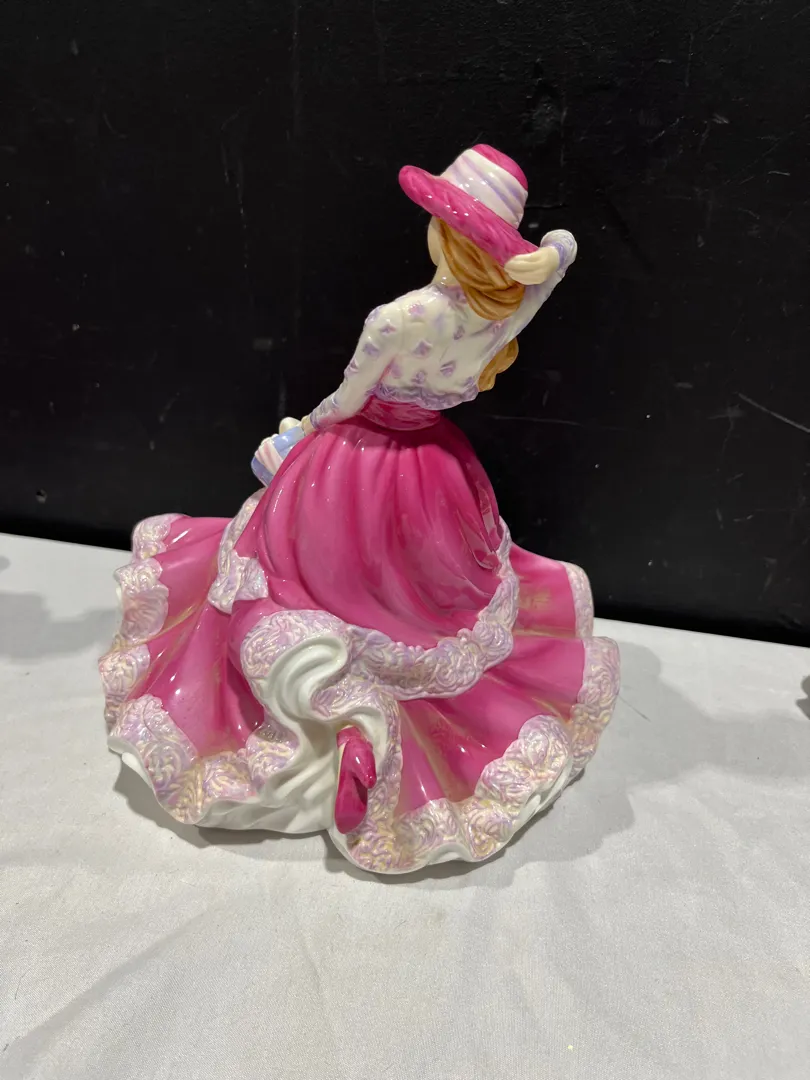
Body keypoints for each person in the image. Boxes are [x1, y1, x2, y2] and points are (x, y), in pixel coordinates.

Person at [100, 145, 619, 874]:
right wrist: (547, 253)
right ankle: (360, 723)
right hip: (435, 470)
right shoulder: (511, 309)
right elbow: (561, 256)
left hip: (355, 464)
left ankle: (342, 718)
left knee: (293, 577)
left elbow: (346, 400)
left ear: (446, 235)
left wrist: (298, 434)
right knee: (423, 605)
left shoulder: (399, 317)